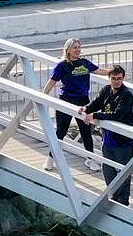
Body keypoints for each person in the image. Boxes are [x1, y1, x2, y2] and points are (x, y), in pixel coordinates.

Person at [42, 38, 100, 173]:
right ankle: (50, 158)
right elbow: (52, 82)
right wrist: (43, 95)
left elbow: (98, 70)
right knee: (61, 131)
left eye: (79, 47)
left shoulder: (84, 63)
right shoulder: (62, 65)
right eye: (75, 47)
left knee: (86, 132)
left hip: (83, 101)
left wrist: (115, 73)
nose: (78, 50)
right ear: (68, 50)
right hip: (66, 100)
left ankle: (90, 159)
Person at [80, 65, 133, 206]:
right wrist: (86, 109)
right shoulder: (106, 90)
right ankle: (112, 195)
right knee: (108, 169)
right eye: (113, 78)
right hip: (109, 138)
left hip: (123, 140)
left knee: (123, 171)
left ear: (123, 78)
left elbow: (118, 114)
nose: (116, 81)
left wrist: (95, 115)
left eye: (119, 79)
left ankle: (123, 201)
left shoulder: (126, 95)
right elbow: (97, 102)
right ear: (109, 78)